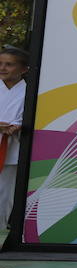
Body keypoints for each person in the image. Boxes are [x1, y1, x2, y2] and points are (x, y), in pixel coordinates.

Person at [0, 46, 29, 232]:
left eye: (9, 64)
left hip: (10, 151)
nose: (3, 68)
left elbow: (29, 119)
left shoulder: (30, 92)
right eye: (1, 63)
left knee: (3, 197)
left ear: (24, 69)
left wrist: (18, 125)